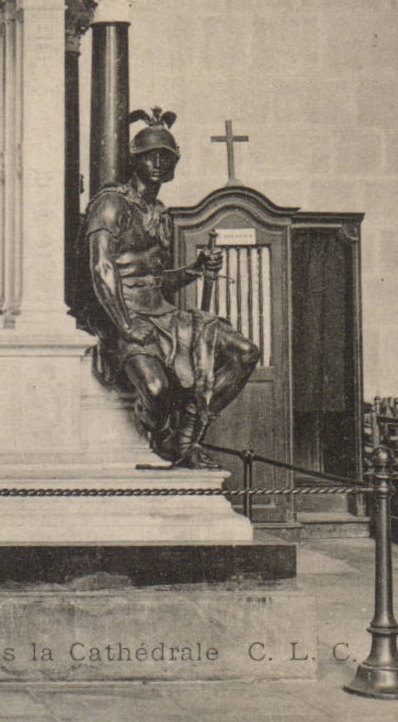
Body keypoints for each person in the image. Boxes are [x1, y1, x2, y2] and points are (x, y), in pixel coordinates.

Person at [76, 108, 261, 468]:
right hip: (124, 315)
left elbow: (155, 280)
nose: (158, 163)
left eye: (166, 157)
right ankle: (166, 436)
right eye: (150, 156)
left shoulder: (159, 212)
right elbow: (101, 268)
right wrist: (126, 324)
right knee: (157, 391)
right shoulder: (110, 204)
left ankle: (185, 437)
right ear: (135, 159)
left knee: (245, 353)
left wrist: (193, 270)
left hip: (164, 315)